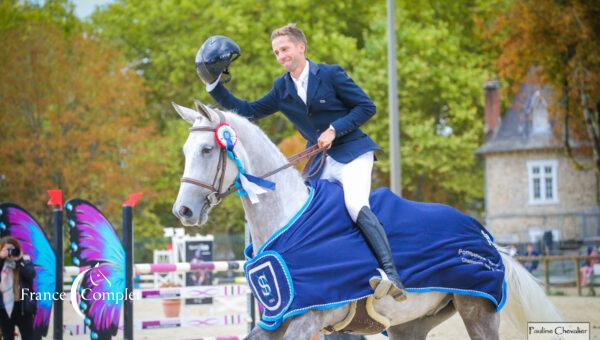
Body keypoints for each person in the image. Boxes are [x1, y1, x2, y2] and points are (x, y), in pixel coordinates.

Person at [196, 24, 406, 301]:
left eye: (284, 49)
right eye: (276, 52)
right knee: (308, 213)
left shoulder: (330, 74)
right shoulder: (282, 87)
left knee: (355, 204)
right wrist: (213, 85)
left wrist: (334, 129)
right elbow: (249, 111)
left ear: (300, 47)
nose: (281, 56)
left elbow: (366, 107)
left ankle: (392, 276)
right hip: (321, 160)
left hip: (352, 153)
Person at [0, 236, 36, 340]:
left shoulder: (25, 260)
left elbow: (31, 274)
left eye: (13, 249)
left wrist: (19, 260)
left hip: (23, 307)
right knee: (8, 337)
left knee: (29, 337)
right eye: (7, 249)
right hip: (4, 308)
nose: (10, 252)